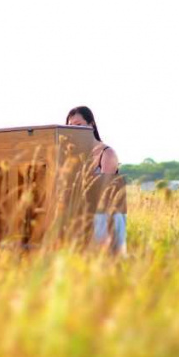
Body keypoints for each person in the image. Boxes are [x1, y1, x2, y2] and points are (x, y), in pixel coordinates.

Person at [65, 106, 126, 253]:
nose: (74, 130)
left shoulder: (107, 153)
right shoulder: (73, 156)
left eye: (78, 125)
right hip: (82, 220)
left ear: (91, 125)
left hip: (105, 220)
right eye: (70, 127)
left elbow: (104, 193)